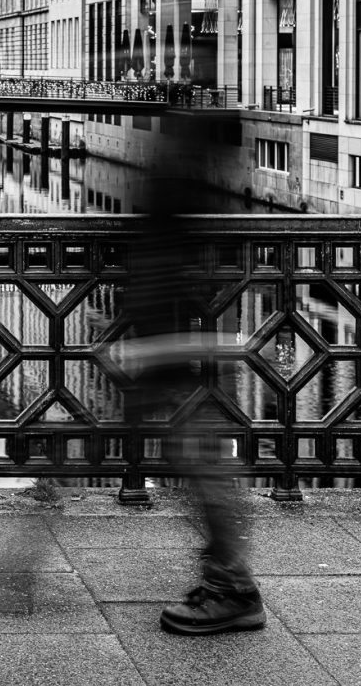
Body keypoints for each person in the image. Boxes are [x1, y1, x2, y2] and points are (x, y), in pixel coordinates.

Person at [123, 123, 264, 636]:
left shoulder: (177, 167)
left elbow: (170, 263)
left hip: (175, 349)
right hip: (168, 346)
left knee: (205, 466)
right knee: (200, 464)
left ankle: (232, 588)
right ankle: (226, 581)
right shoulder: (180, 165)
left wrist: (158, 345)